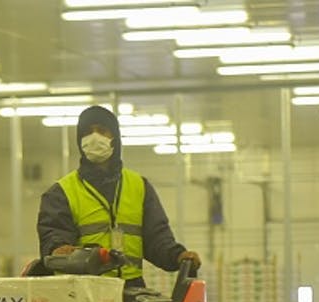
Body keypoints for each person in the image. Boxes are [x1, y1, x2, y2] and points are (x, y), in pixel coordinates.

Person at [37, 105, 201, 288]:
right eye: (87, 132)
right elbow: (54, 236)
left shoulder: (139, 186)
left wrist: (177, 255)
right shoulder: (61, 192)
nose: (94, 137)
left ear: (115, 137)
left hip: (131, 290)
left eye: (102, 130)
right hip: (83, 292)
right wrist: (58, 249)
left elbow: (157, 237)